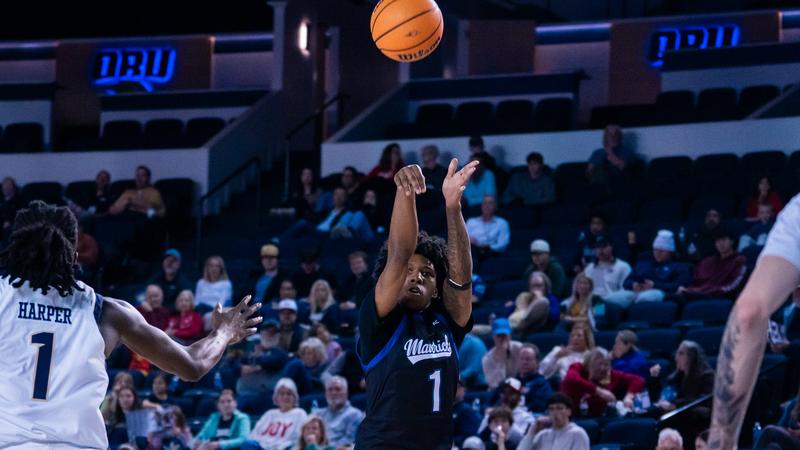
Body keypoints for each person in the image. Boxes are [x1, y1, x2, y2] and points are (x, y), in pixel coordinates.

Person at [0, 200, 260, 449]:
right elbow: (192, 365)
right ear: (75, 255)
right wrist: (223, 332)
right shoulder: (107, 312)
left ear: (15, 247)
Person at [355, 159, 477, 449]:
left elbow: (461, 279)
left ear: (436, 289)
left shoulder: (447, 323)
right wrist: (405, 191)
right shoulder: (379, 321)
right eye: (410, 271)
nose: (416, 277)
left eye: (427, 273)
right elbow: (399, 253)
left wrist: (452, 207)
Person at [614, 230, 692, 309]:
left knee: (643, 298)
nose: (657, 253)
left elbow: (681, 285)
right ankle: (602, 318)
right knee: (607, 300)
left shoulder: (679, 266)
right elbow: (626, 282)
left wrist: (655, 285)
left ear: (670, 252)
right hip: (635, 292)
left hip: (660, 292)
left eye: (662, 251)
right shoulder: (643, 264)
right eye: (655, 250)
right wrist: (633, 284)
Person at [649, 341, 713, 436]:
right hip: (676, 417)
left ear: (692, 357)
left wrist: (676, 405)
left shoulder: (707, 376)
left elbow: (704, 400)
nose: (676, 357)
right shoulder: (676, 377)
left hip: (696, 420)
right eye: (677, 353)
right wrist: (654, 378)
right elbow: (660, 397)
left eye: (681, 353)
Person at [560, 347, 645, 417]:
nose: (603, 368)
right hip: (571, 417)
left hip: (599, 418)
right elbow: (571, 380)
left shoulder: (611, 375)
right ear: (590, 363)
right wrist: (599, 391)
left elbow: (638, 380)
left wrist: (629, 396)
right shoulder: (577, 368)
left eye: (606, 364)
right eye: (599, 364)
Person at [678, 229, 747, 299]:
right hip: (700, 294)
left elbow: (734, 285)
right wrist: (688, 289)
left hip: (721, 296)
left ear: (731, 241)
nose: (720, 243)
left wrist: (706, 292)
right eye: (717, 241)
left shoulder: (739, 260)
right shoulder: (708, 261)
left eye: (723, 240)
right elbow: (696, 281)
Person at [244, 378, 308, 450]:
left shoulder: (299, 414)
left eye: (289, 394)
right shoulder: (269, 414)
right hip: (261, 448)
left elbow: (300, 439)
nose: (285, 397)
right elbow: (253, 435)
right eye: (282, 393)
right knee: (248, 444)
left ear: (295, 397)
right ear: (276, 397)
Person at [236, 320, 290, 404]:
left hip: (268, 395)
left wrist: (255, 363)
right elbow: (237, 367)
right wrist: (257, 367)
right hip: (245, 393)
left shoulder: (280, 352)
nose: (269, 335)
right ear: (261, 334)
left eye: (273, 333)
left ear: (278, 336)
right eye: (266, 332)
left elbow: (272, 362)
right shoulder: (250, 350)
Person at [517, 393, 590, 450]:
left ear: (569, 411)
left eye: (559, 408)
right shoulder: (543, 435)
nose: (555, 412)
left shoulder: (578, 434)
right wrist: (532, 431)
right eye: (551, 409)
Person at [478, 378, 535, 446]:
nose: (506, 396)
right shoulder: (493, 413)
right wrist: (490, 422)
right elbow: (479, 437)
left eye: (511, 393)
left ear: (519, 396)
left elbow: (524, 442)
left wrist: (508, 422)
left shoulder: (527, 417)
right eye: (503, 392)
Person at [582, 234, 633, 304]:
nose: (600, 250)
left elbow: (626, 292)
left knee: (599, 307)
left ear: (612, 247)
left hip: (611, 302)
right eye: (597, 247)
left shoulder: (623, 267)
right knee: (566, 305)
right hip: (590, 301)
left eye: (604, 246)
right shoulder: (589, 268)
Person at [316, 375, 364, 448]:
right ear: (325, 393)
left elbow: (349, 441)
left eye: (338, 389)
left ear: (346, 393)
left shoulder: (355, 414)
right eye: (330, 389)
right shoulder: (318, 414)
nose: (333, 393)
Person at [586, 124, 637, 190]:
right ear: (605, 137)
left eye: (616, 134)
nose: (613, 137)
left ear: (620, 137)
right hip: (598, 185)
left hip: (620, 184)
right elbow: (589, 173)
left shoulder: (627, 152)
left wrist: (611, 154)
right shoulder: (597, 153)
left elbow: (625, 169)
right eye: (609, 135)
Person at [483, 318, 523, 390]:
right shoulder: (487, 359)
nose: (502, 339)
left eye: (504, 335)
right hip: (499, 393)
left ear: (510, 336)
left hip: (520, 388)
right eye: (499, 335)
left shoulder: (520, 349)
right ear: (493, 337)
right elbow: (495, 385)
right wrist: (501, 358)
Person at [515, 344, 552, 413]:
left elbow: (539, 407)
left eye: (528, 359)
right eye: (521, 359)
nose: (524, 362)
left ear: (537, 363)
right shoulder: (510, 382)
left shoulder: (542, 385)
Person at [453, 379, 482, 447]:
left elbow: (469, 435)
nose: (454, 389)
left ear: (463, 390)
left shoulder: (466, 410)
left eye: (458, 387)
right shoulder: (443, 409)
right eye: (452, 386)